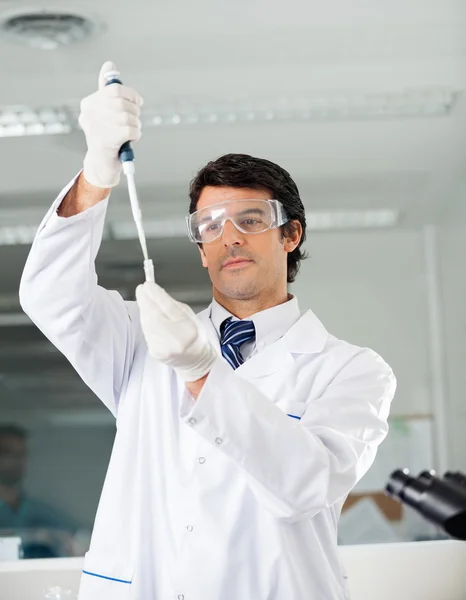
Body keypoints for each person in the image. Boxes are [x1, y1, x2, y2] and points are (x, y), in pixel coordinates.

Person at [19, 61, 396, 599]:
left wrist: (200, 373)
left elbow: (305, 485)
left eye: (251, 220)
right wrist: (97, 169)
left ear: (291, 234)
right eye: (210, 226)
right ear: (199, 249)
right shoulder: (139, 342)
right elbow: (48, 294)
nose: (230, 238)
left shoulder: (353, 370)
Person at [0, 425, 79, 558]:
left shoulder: (40, 511)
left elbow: (77, 537)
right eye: (8, 453)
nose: (17, 460)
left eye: (21, 454)